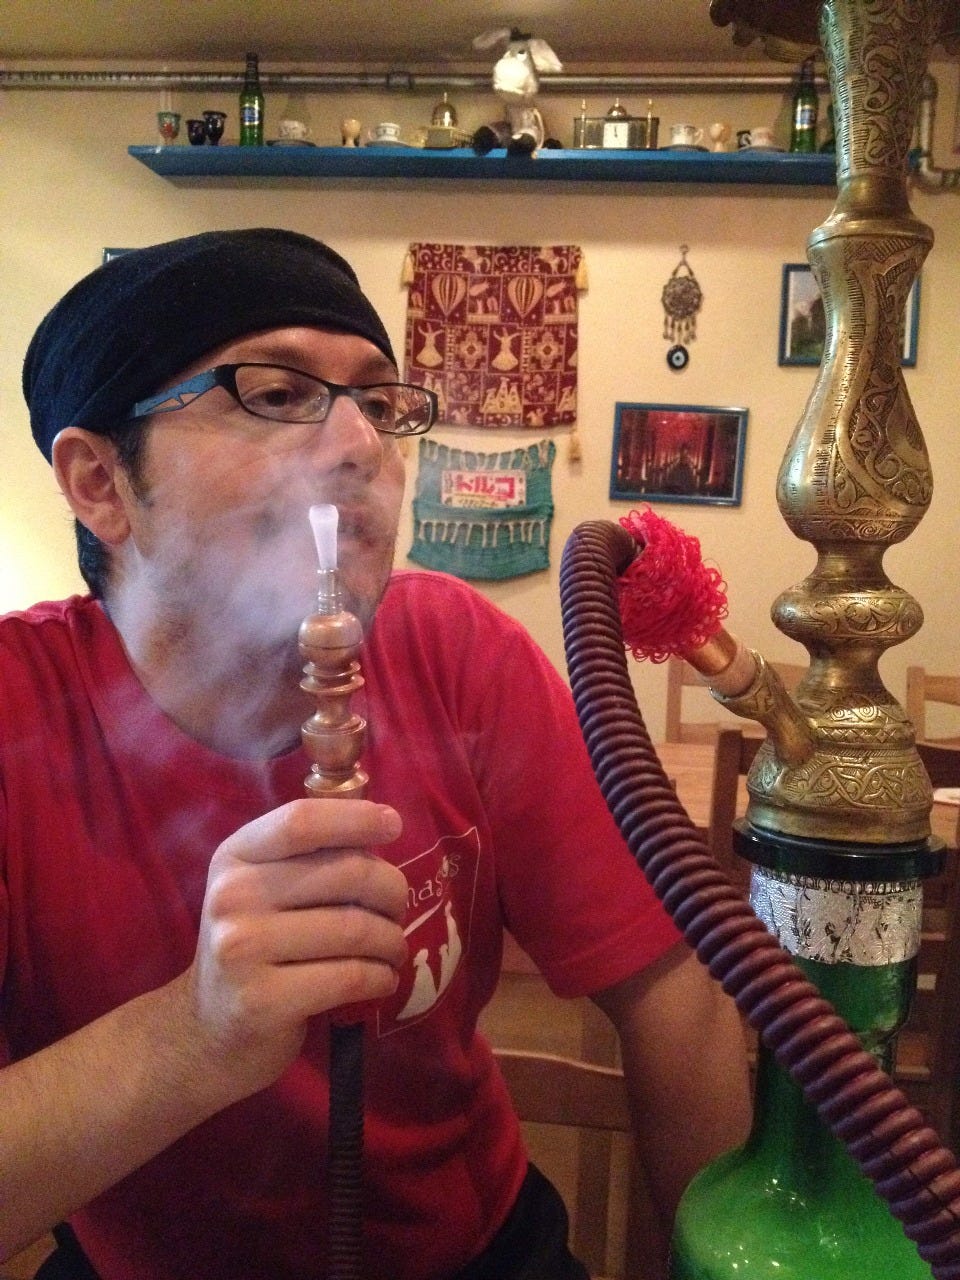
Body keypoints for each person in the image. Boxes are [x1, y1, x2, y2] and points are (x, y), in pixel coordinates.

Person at [4, 228, 751, 1280]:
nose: (361, 444)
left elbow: (677, 999)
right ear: (99, 484)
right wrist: (194, 1033)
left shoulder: (454, 648)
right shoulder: (17, 715)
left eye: (379, 402)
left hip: (478, 1254)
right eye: (276, 393)